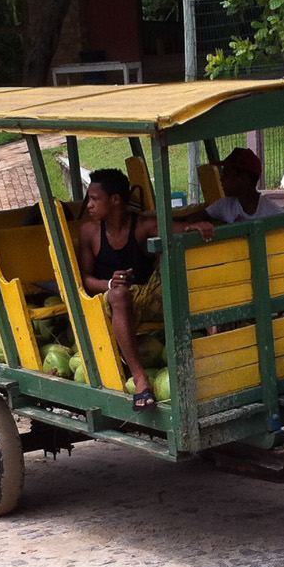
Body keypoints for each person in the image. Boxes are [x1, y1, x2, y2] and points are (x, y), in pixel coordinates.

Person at [77, 169, 213, 411]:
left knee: (184, 270)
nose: (89, 205)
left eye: (95, 199)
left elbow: (176, 230)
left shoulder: (142, 226)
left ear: (116, 200)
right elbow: (86, 279)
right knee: (119, 294)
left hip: (147, 296)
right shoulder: (89, 232)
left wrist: (194, 227)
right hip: (110, 301)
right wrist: (110, 283)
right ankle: (141, 380)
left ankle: (212, 355)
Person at [205, 147, 284, 225]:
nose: (221, 179)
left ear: (243, 179)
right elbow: (195, 218)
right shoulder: (225, 205)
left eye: (226, 175)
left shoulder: (274, 213)